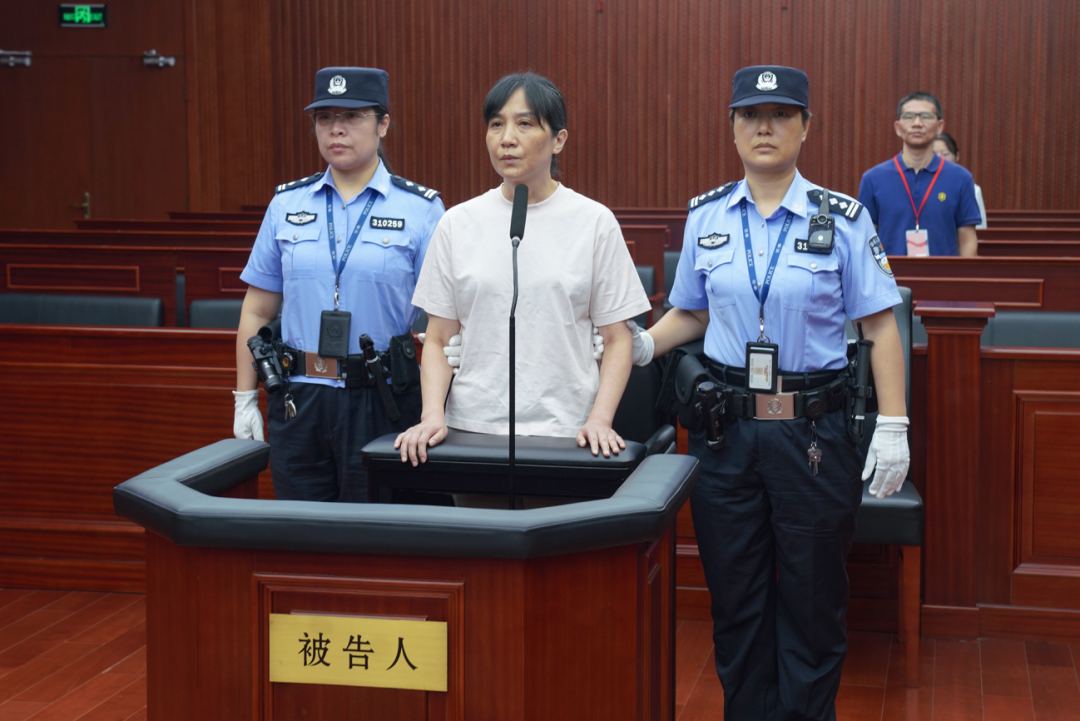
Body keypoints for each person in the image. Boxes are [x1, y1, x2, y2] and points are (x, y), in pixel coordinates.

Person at [628, 66, 910, 720]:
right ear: (732, 127)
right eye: (750, 115)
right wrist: (644, 344)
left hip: (813, 434)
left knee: (813, 602)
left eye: (781, 114)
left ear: (805, 127)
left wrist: (894, 424)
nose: (764, 127)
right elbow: (691, 312)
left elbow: (879, 326)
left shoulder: (843, 218)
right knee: (736, 599)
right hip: (724, 433)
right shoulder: (706, 216)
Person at [394, 71, 650, 469]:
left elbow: (618, 339)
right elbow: (439, 337)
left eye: (525, 124)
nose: (506, 139)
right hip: (472, 428)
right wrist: (432, 415)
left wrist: (600, 419)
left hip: (568, 430)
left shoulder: (594, 222)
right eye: (496, 124)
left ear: (559, 140)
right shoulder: (457, 223)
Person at [233, 67, 445, 502]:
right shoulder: (286, 204)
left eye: (352, 116)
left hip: (382, 397)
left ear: (383, 124)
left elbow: (445, 320)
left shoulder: (422, 210)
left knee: (379, 529)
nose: (336, 129)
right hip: (297, 398)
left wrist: (434, 411)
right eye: (325, 117)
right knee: (302, 532)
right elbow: (256, 310)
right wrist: (244, 398)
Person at [858, 91, 981, 256]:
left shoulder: (961, 178)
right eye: (909, 116)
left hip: (943, 272)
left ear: (940, 127)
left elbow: (967, 239)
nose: (917, 123)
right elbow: (866, 238)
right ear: (897, 127)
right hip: (889, 272)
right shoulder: (873, 179)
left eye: (926, 116)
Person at [934, 132, 987, 229]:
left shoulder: (973, 189)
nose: (939, 158)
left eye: (945, 154)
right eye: (933, 154)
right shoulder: (918, 186)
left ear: (957, 156)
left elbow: (979, 229)